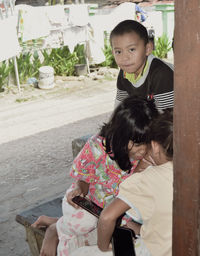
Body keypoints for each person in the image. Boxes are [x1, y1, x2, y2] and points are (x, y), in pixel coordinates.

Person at [32, 96, 159, 256]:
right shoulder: (97, 146)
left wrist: (142, 167)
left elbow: (135, 191)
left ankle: (56, 222)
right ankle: (55, 229)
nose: (143, 150)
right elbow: (84, 178)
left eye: (148, 143)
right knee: (84, 223)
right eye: (139, 144)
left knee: (138, 231)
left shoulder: (145, 157)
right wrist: (79, 189)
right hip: (88, 203)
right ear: (121, 135)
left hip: (115, 212)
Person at [97, 109, 173, 256]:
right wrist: (140, 229)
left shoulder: (146, 179)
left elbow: (107, 217)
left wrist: (103, 247)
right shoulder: (190, 173)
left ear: (155, 146)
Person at [110, 19, 174, 110]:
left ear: (147, 49)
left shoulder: (161, 74)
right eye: (118, 52)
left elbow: (168, 118)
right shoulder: (124, 73)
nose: (125, 57)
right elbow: (120, 107)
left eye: (131, 49)